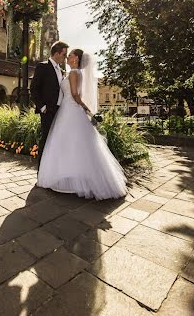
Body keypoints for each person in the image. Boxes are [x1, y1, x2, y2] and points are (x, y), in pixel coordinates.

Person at [37, 48, 127, 200]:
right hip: (68, 109)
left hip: (70, 109)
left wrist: (87, 109)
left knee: (68, 143)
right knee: (76, 143)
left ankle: (70, 177)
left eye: (70, 54)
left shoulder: (73, 73)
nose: (68, 56)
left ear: (76, 58)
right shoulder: (74, 72)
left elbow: (75, 94)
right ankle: (73, 175)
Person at [30, 41, 69, 169]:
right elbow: (34, 89)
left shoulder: (61, 70)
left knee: (57, 140)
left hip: (60, 111)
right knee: (46, 139)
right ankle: (41, 171)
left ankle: (53, 169)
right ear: (57, 53)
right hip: (48, 111)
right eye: (64, 54)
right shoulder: (43, 66)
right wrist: (42, 107)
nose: (65, 57)